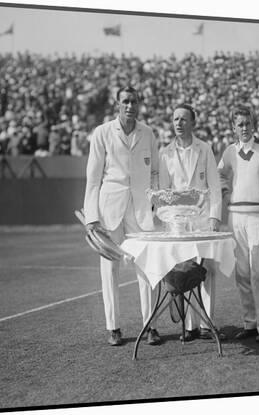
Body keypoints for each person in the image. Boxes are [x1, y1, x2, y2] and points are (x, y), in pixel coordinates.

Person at [83, 86, 161, 347]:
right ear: (117, 104)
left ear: (139, 104)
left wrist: (155, 203)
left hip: (140, 209)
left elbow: (155, 173)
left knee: (147, 267)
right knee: (109, 269)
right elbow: (93, 178)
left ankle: (150, 325)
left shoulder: (148, 133)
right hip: (109, 209)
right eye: (125, 101)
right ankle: (113, 327)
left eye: (134, 101)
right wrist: (92, 216)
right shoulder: (102, 132)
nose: (130, 106)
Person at [159, 103, 224, 341]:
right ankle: (190, 326)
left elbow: (215, 187)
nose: (178, 123)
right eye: (175, 119)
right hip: (178, 224)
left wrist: (215, 216)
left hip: (203, 220)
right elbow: (164, 193)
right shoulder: (164, 153)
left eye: (184, 119)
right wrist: (169, 220)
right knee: (184, 272)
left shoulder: (204, 149)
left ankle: (207, 324)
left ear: (193, 123)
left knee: (208, 271)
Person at [217, 105, 259, 343]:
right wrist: (226, 192)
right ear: (233, 127)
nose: (244, 128)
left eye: (247, 123)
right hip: (236, 216)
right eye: (239, 124)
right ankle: (249, 323)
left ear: (254, 124)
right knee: (241, 273)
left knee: (258, 272)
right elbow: (219, 174)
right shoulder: (229, 152)